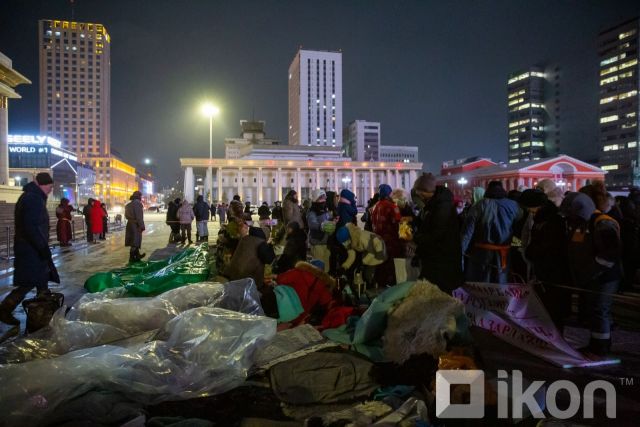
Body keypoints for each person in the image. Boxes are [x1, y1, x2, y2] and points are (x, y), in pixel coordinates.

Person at [562, 192, 621, 356]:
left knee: (600, 310)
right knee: (594, 311)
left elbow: (610, 255)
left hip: (605, 277)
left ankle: (601, 348)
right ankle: (596, 344)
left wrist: (590, 272)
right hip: (591, 276)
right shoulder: (583, 223)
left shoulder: (603, 224)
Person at [0, 173, 60, 326]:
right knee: (29, 281)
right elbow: (31, 227)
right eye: (49, 186)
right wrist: (41, 247)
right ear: (42, 184)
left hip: (33, 247)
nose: (50, 190)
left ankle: (44, 314)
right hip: (30, 248)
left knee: (41, 278)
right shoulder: (32, 199)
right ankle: (5, 308)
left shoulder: (35, 197)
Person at [461, 181, 521, 283]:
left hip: (481, 256)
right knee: (502, 285)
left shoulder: (479, 205)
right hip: (505, 255)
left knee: (481, 286)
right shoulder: (514, 206)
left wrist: (461, 252)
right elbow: (519, 230)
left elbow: (467, 233)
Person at [412, 173, 463, 293]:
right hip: (435, 258)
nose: (417, 195)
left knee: (439, 295)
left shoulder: (441, 207)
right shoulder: (434, 204)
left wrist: (416, 238)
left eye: (418, 191)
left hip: (442, 260)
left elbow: (436, 234)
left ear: (425, 191)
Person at [371, 184, 402, 286]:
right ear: (389, 193)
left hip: (378, 240)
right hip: (391, 242)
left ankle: (379, 284)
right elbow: (398, 223)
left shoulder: (375, 206)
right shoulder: (392, 206)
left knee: (380, 264)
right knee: (391, 266)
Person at [307, 189, 331, 272]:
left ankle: (326, 282)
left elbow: (328, 219)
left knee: (327, 267)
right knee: (318, 268)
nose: (323, 201)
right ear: (315, 200)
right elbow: (312, 223)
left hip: (326, 242)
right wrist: (321, 226)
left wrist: (333, 221)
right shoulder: (312, 212)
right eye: (320, 198)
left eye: (324, 198)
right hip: (317, 242)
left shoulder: (325, 210)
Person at [124, 190, 146, 262]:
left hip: (130, 224)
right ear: (139, 196)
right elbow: (139, 216)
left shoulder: (128, 205)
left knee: (133, 240)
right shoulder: (138, 204)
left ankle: (137, 255)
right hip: (135, 225)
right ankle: (132, 257)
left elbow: (126, 215)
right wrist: (142, 226)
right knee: (135, 241)